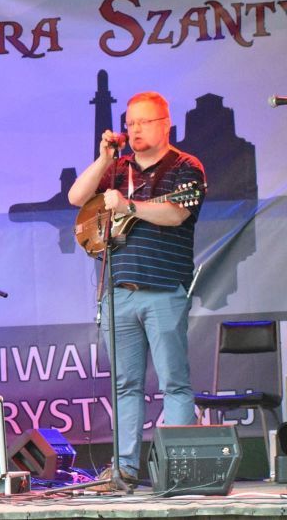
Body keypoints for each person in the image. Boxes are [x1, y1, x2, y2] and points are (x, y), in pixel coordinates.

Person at [67, 91, 205, 489]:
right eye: (130, 123)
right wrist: (104, 159)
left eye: (144, 122)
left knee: (173, 382)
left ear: (165, 124)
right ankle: (124, 469)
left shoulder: (185, 167)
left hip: (163, 289)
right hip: (118, 292)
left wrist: (129, 206)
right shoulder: (117, 168)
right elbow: (76, 197)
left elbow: (177, 213)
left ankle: (178, 471)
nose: (135, 129)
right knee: (125, 385)